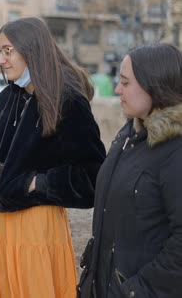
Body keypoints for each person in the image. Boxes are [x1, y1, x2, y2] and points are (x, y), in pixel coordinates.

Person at [0, 17, 106, 298]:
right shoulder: (8, 97)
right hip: (0, 226)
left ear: (31, 50)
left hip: (36, 225)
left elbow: (93, 177)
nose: (2, 59)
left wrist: (38, 184)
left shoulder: (67, 101)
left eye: (8, 50)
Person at [77, 44, 182, 298]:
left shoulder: (175, 149)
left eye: (125, 82)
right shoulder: (130, 134)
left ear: (153, 85)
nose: (117, 90)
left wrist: (134, 290)